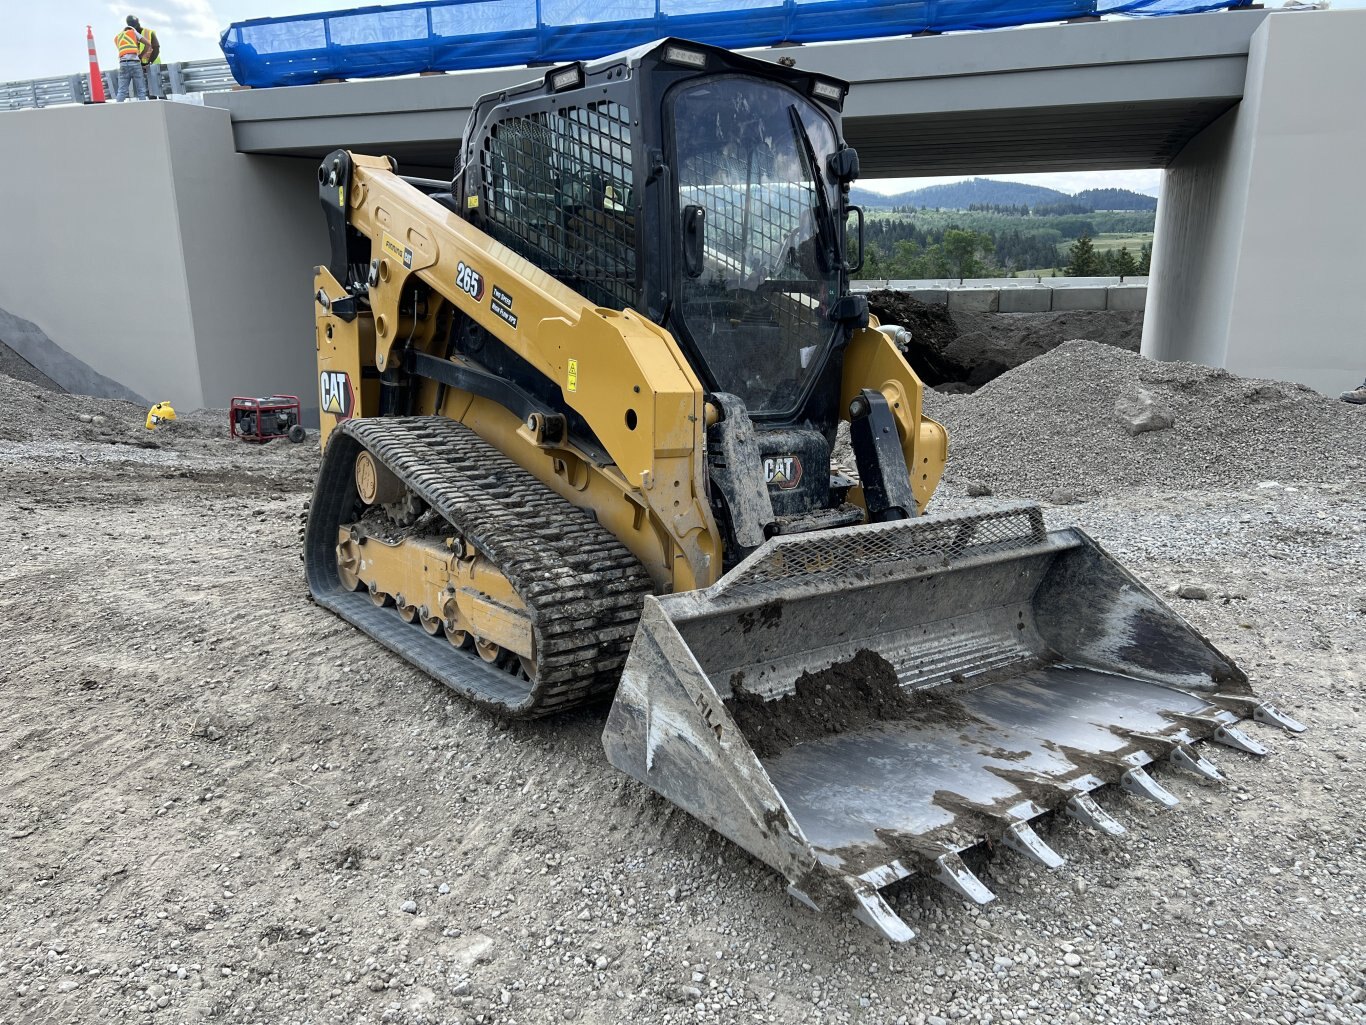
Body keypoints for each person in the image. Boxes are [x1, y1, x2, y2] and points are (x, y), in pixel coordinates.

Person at [112, 17, 146, 101]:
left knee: (122, 91)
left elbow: (123, 50)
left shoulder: (117, 37)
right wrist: (141, 56)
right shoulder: (133, 32)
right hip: (135, 62)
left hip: (123, 63)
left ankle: (117, 111)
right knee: (141, 90)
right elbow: (148, 44)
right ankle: (145, 110)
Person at [129, 16, 163, 99]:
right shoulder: (131, 36)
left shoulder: (148, 33)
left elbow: (156, 48)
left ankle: (163, 105)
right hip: (142, 67)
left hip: (153, 65)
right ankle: (154, 108)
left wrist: (149, 63)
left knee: (159, 89)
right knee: (150, 92)